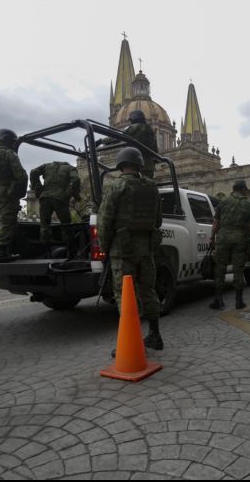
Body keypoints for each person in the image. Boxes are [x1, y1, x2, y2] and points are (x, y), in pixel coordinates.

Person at [97, 147, 164, 350]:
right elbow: (158, 220)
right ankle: (155, 335)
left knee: (125, 294)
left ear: (120, 164)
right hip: (146, 248)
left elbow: (105, 220)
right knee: (148, 290)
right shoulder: (152, 187)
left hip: (123, 249)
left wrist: (104, 248)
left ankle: (131, 344)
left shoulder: (117, 186)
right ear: (140, 164)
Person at [208, 180, 250, 310]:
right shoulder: (249, 205)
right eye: (245, 189)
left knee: (220, 269)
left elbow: (215, 223)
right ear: (243, 189)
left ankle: (218, 300)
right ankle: (239, 301)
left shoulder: (223, 202)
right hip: (240, 239)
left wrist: (212, 238)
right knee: (238, 269)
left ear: (233, 189)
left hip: (223, 238)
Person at [0, 128, 28, 263]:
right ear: (8, 140)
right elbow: (21, 176)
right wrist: (19, 193)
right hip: (6, 193)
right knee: (8, 223)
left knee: (0, 223)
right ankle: (2, 253)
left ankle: (3, 251)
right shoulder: (8, 153)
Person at [29, 160, 81, 245]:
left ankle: (45, 248)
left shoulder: (46, 166)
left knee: (44, 226)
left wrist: (37, 186)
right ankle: (69, 247)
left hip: (45, 198)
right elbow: (76, 180)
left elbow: (33, 172)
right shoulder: (70, 168)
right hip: (60, 198)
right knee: (66, 225)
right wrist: (72, 194)